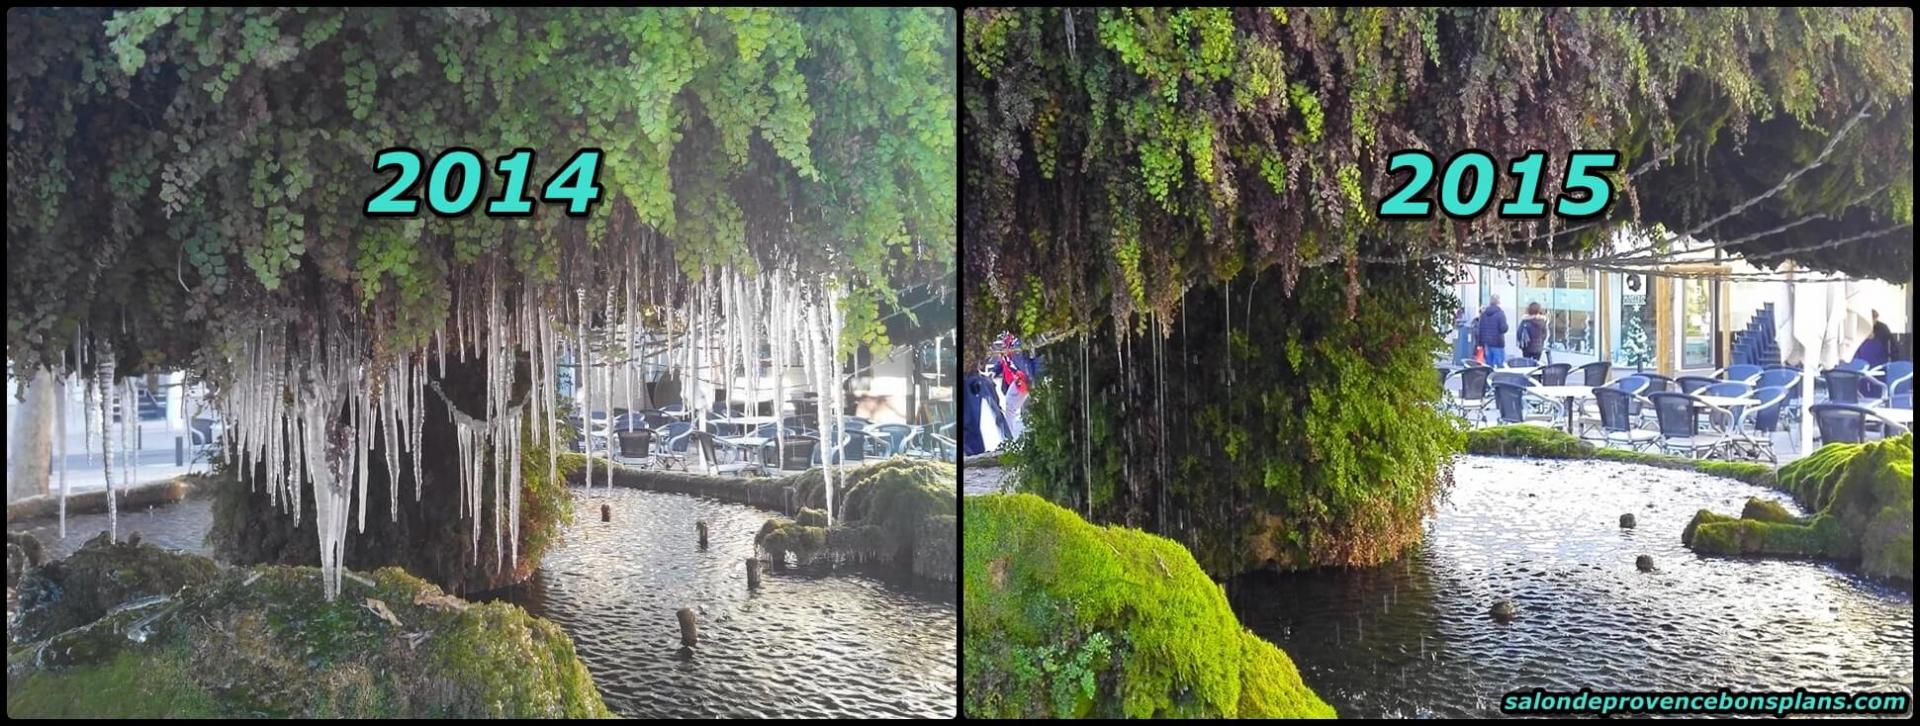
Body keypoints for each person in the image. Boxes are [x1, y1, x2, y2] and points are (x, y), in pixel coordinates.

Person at [1477, 295, 1509, 367]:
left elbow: (1480, 329)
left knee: (1489, 365)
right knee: (1500, 365)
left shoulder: (1484, 314)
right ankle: (1498, 378)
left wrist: (1480, 343)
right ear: (1498, 302)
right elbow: (1503, 328)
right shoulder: (1500, 313)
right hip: (1498, 342)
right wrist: (1507, 326)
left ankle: (1489, 377)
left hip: (1487, 343)